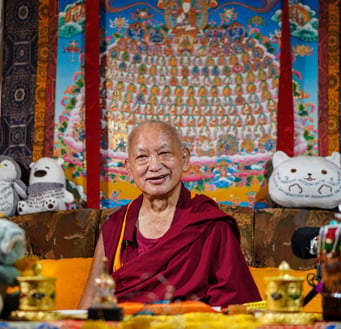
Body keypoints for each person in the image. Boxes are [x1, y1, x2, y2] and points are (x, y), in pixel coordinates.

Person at [78, 120, 261, 309]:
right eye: (142, 156)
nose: (155, 166)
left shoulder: (211, 224)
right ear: (129, 168)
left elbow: (236, 307)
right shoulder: (116, 227)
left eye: (164, 153)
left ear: (184, 158)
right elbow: (87, 308)